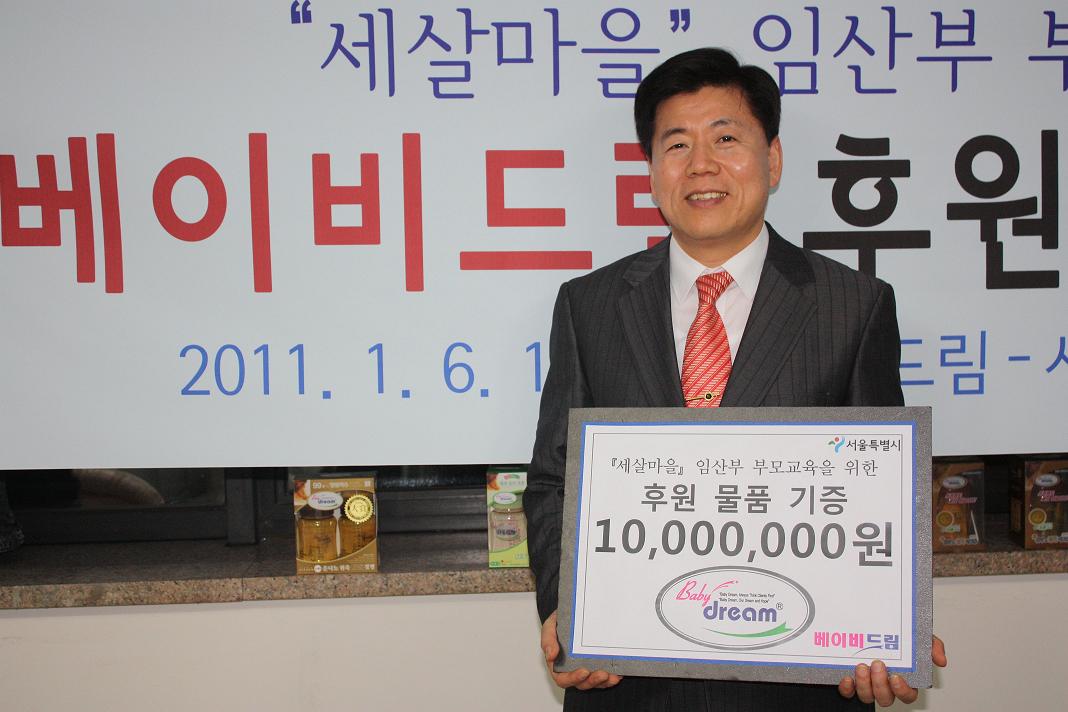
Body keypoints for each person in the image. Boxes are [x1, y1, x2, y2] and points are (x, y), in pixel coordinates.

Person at [525, 47, 946, 711]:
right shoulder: (589, 305)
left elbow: (880, 498)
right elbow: (555, 480)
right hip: (631, 688)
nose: (701, 165)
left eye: (726, 139)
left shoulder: (854, 306)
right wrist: (567, 609)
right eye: (676, 144)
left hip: (795, 694)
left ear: (772, 160)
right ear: (652, 171)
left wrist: (882, 632)